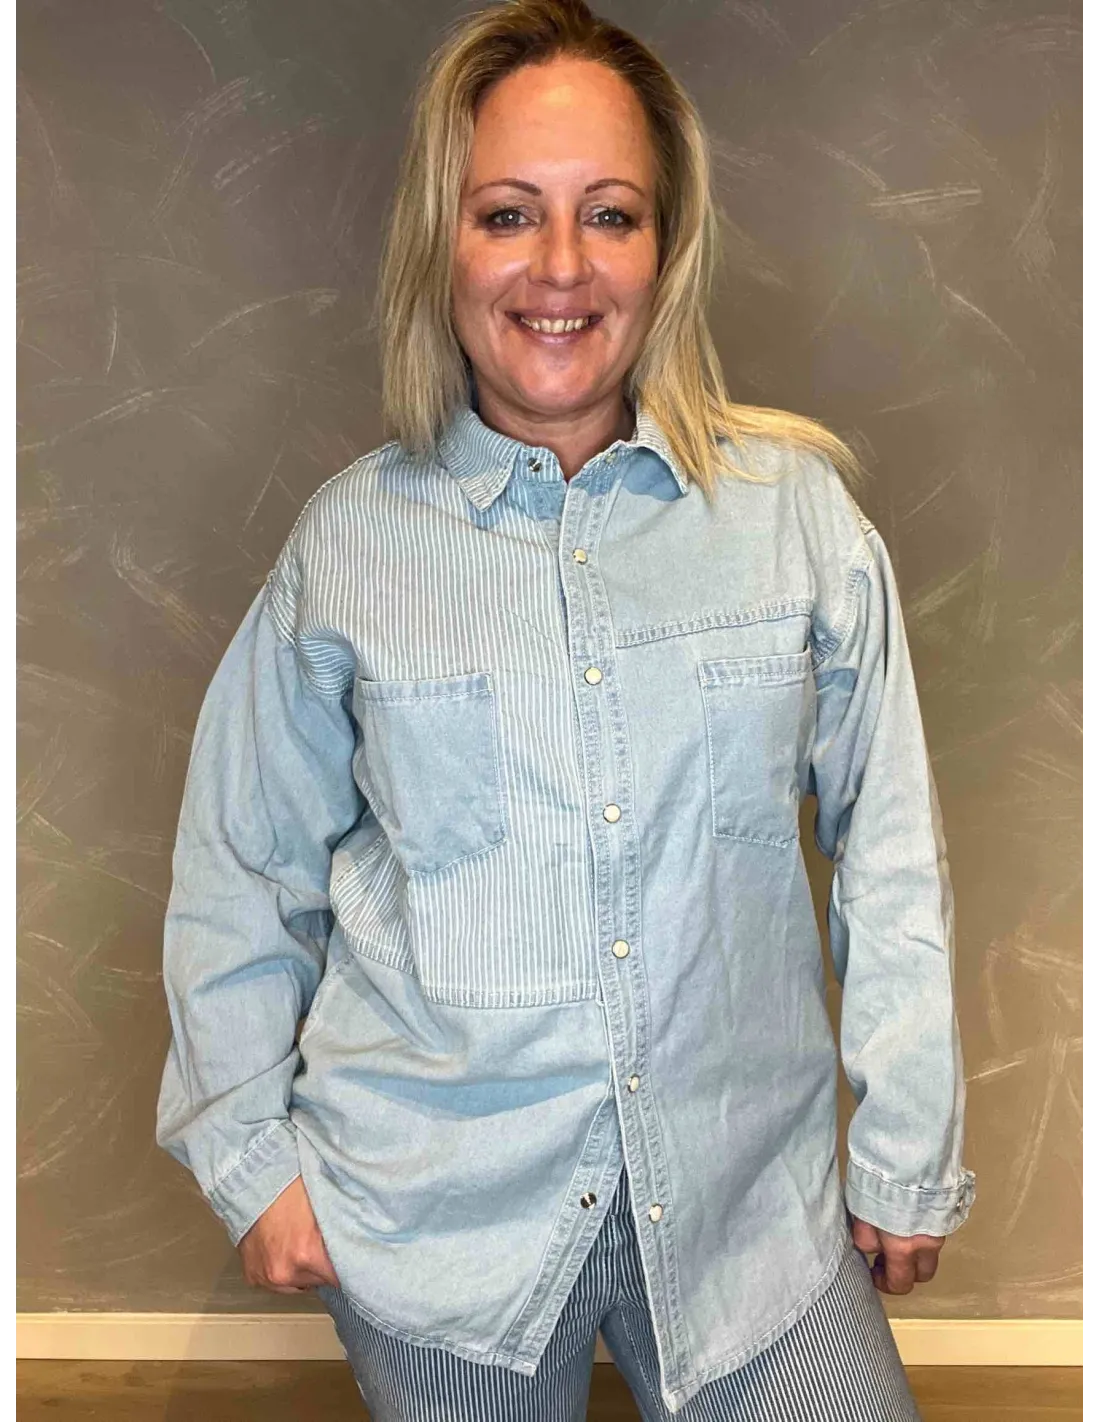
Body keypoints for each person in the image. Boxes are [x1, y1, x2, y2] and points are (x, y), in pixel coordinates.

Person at [155, 1, 977, 1417]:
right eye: (507, 214)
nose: (559, 266)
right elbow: (242, 865)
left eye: (609, 214)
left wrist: (908, 1139)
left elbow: (891, 848)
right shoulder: (349, 549)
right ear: (444, 243)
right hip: (438, 1222)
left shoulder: (796, 524)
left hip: (745, 1212)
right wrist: (252, 1159)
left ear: (667, 245)